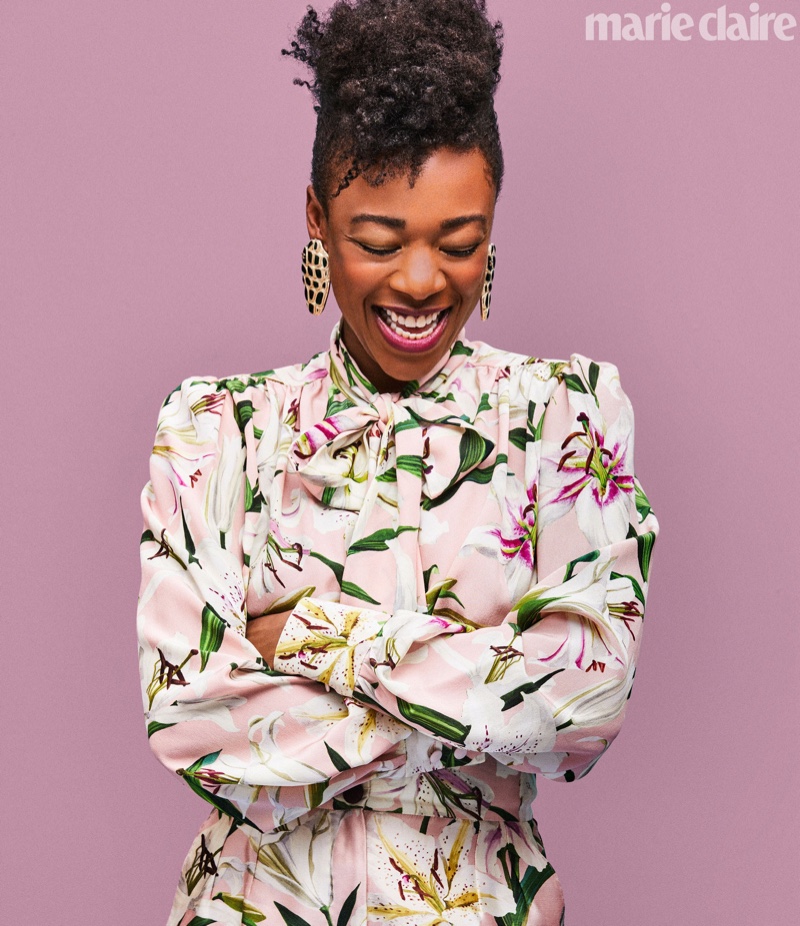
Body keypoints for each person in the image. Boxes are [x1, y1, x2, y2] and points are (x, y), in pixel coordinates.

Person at [136, 1, 660, 923]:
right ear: (316, 218)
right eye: (379, 241)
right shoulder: (218, 428)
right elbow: (193, 722)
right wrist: (479, 717)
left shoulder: (563, 416)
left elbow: (586, 696)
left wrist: (312, 639)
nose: (421, 282)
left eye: (459, 243)